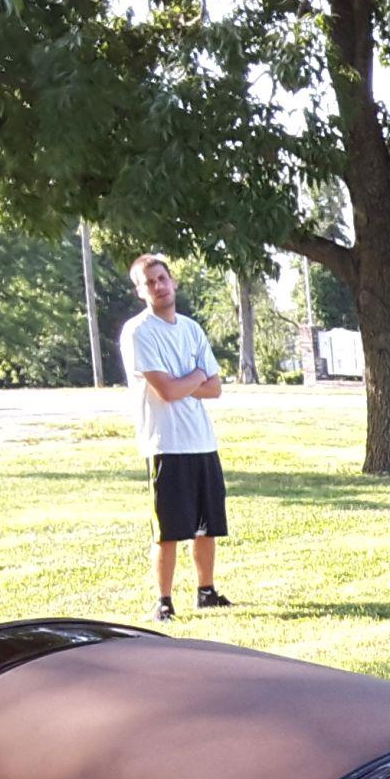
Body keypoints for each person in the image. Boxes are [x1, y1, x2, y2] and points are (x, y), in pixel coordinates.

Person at [120, 254, 232, 622]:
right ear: (140, 291)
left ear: (173, 282)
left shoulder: (191, 329)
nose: (158, 286)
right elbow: (165, 390)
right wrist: (196, 376)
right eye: (149, 282)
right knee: (168, 529)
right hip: (165, 443)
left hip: (201, 440)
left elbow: (214, 388)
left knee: (206, 524)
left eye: (162, 278)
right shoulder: (139, 332)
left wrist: (191, 380)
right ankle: (164, 601)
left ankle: (207, 591)